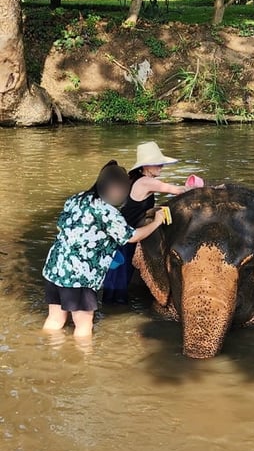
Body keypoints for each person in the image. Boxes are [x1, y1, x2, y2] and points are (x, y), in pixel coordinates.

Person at [42, 161, 166, 339]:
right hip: (79, 277)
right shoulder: (107, 212)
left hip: (54, 268)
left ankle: (47, 355)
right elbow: (132, 236)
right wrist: (157, 222)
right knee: (84, 325)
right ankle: (85, 363)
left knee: (55, 320)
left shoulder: (77, 198)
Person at [102, 141, 187, 304]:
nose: (161, 166)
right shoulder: (146, 182)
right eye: (158, 163)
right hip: (125, 237)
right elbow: (179, 190)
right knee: (119, 279)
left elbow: (137, 207)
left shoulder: (136, 180)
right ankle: (114, 311)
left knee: (116, 276)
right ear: (146, 166)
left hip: (121, 234)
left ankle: (109, 310)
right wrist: (209, 188)